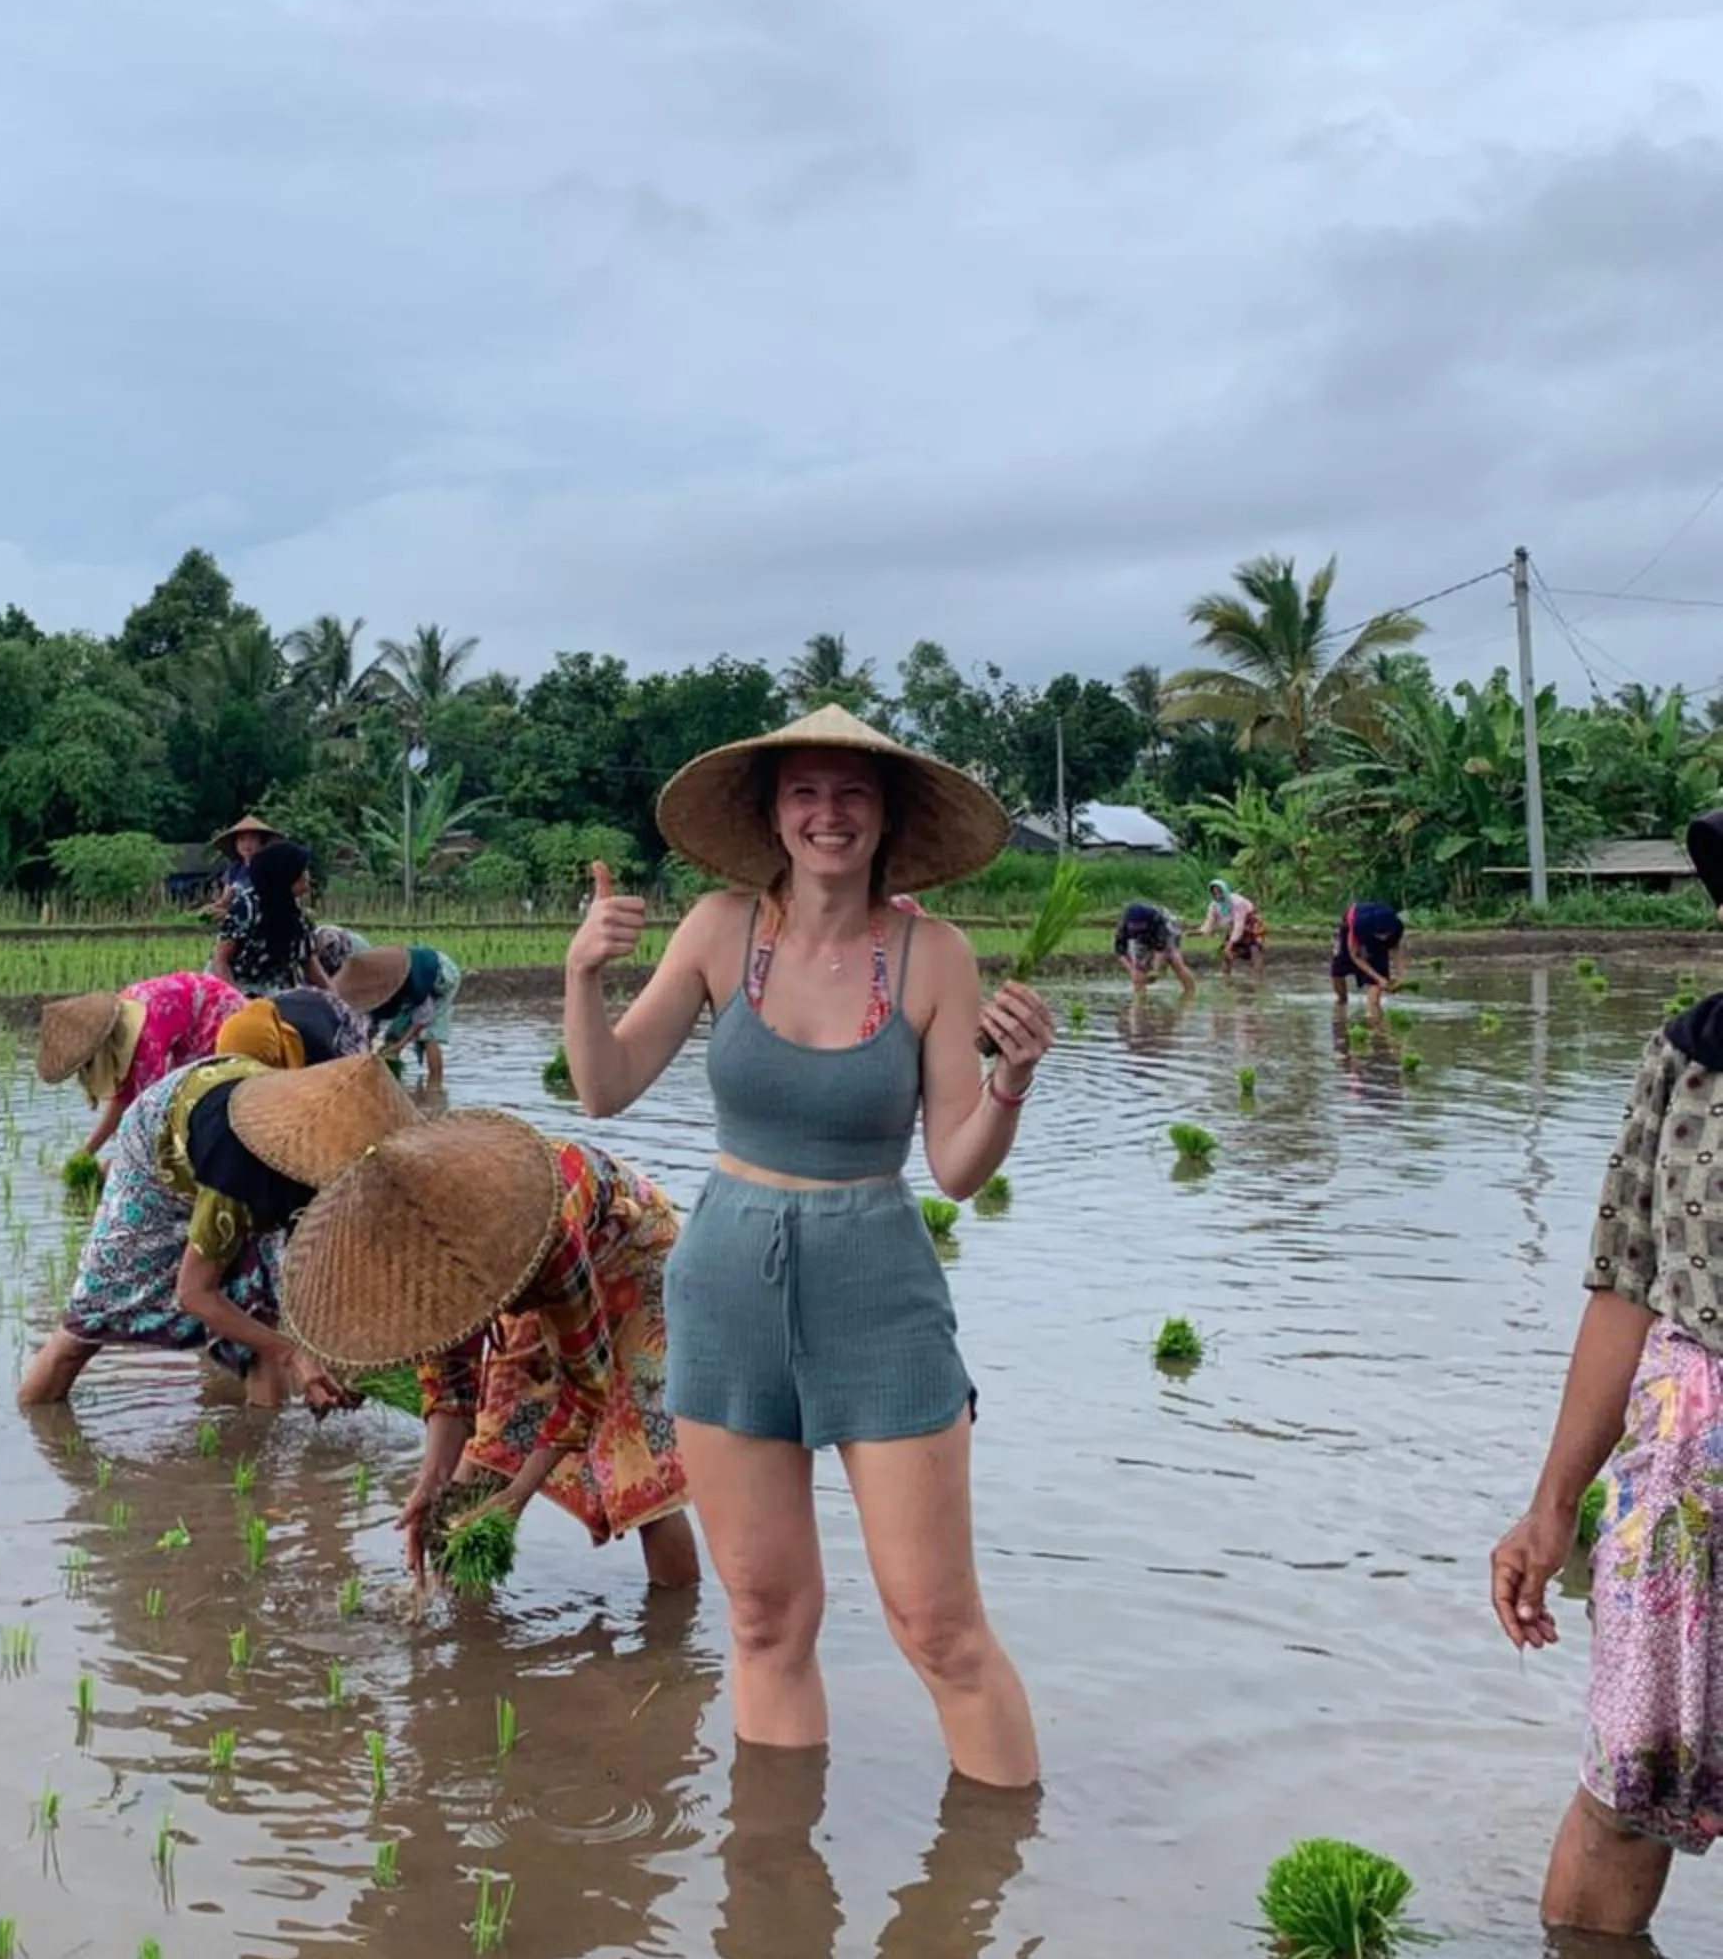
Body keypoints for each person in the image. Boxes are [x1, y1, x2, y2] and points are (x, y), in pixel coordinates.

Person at [559, 702, 1049, 1786]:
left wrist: (1011, 1081)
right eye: (805, 793)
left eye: (853, 793)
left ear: (886, 817)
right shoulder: (718, 931)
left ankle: (995, 1887)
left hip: (879, 1291)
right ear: (773, 816)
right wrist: (583, 975)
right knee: (768, 1620)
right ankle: (774, 1899)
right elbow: (604, 1087)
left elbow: (959, 1169)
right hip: (729, 1287)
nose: (829, 815)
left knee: (939, 1628)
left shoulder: (934, 956)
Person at [1489, 809, 1723, 1934]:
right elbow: (1622, 1290)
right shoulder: (1684, 1061)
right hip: (1684, 1474)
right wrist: (1550, 1508)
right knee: (1633, 1779)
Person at [281, 1109, 700, 1588]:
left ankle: (670, 1644)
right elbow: (451, 1377)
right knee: (488, 1447)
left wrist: (518, 1494)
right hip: (527, 1263)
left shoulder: (542, 1236)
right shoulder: (430, 1252)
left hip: (631, 1259)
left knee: (636, 1466)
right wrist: (432, 1479)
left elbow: (588, 1385)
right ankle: (455, 1629)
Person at [17, 1000, 411, 1407]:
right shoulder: (244, 1174)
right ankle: (34, 1419)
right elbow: (194, 1294)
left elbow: (335, 1267)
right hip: (157, 1146)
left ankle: (263, 1454)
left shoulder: (325, 1159)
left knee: (259, 1313)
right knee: (89, 1323)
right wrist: (293, 1352)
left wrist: (343, 1354)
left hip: (231, 1117)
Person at [35, 970, 246, 1162]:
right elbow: (124, 1097)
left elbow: (147, 1109)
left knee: (193, 1101)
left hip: (218, 1014)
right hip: (190, 1021)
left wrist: (116, 1162)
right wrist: (87, 1153)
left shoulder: (145, 1040)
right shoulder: (121, 1015)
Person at [333, 943, 464, 1094]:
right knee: (393, 1035)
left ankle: (435, 1088)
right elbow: (371, 1024)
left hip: (442, 975)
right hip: (414, 983)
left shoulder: (416, 983)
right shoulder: (378, 986)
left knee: (428, 1034)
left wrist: (400, 1046)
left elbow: (422, 1018)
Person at [209, 837, 331, 996]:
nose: (307, 875)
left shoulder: (297, 916)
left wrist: (336, 1000)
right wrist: (236, 1002)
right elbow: (220, 959)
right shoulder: (247, 907)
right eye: (302, 870)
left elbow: (310, 966)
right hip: (231, 987)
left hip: (272, 992)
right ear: (285, 875)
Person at [1331, 896, 1405, 1023]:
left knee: (1376, 985)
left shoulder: (1396, 927)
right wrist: (1379, 978)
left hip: (1372, 931)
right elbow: (1355, 956)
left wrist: (1400, 976)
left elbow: (1396, 949)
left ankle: (1373, 1015)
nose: (1384, 938)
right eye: (1381, 935)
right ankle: (1341, 1002)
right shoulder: (1359, 925)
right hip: (1351, 924)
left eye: (1386, 935)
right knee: (1337, 971)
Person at [1114, 898, 1196, 998]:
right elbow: (1120, 951)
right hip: (1141, 939)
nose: (1137, 928)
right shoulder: (1123, 926)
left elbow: (1160, 948)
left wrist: (1155, 969)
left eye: (1140, 926)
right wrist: (1132, 970)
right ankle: (1140, 1001)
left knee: (1175, 961)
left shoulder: (1158, 921)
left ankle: (1190, 994)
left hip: (1169, 930)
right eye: (1134, 927)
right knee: (1138, 970)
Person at [1199, 876, 1266, 980]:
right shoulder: (1214, 905)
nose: (1218, 896)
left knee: (1254, 949)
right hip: (1234, 927)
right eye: (1215, 893)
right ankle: (1225, 976)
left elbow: (1239, 925)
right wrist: (1201, 932)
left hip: (1250, 924)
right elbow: (1210, 921)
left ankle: (1258, 978)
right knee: (1226, 954)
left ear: (1225, 891)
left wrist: (1230, 944)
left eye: (1220, 892)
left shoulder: (1237, 903)